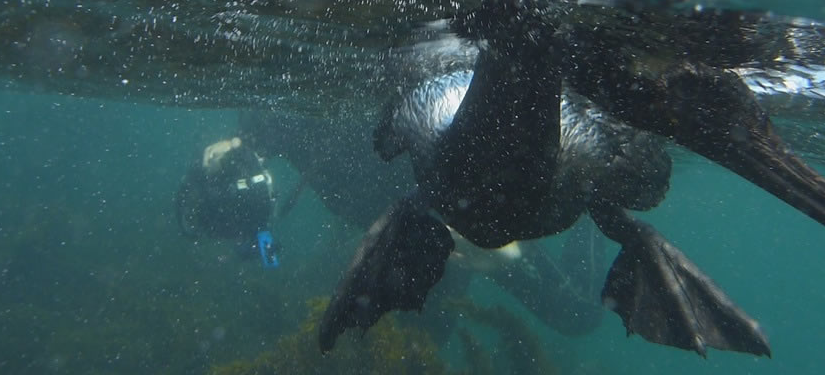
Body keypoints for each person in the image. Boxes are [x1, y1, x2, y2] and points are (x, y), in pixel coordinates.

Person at [174, 109, 607, 336]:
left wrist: (496, 243)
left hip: (466, 208)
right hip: (430, 230)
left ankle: (598, 191)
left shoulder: (324, 132)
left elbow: (435, 140)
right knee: (426, 332)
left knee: (578, 314)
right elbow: (260, 125)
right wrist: (219, 154)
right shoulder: (282, 131)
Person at [175, 136, 285, 267]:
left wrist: (235, 148)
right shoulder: (207, 189)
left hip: (244, 218)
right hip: (241, 219)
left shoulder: (232, 176)